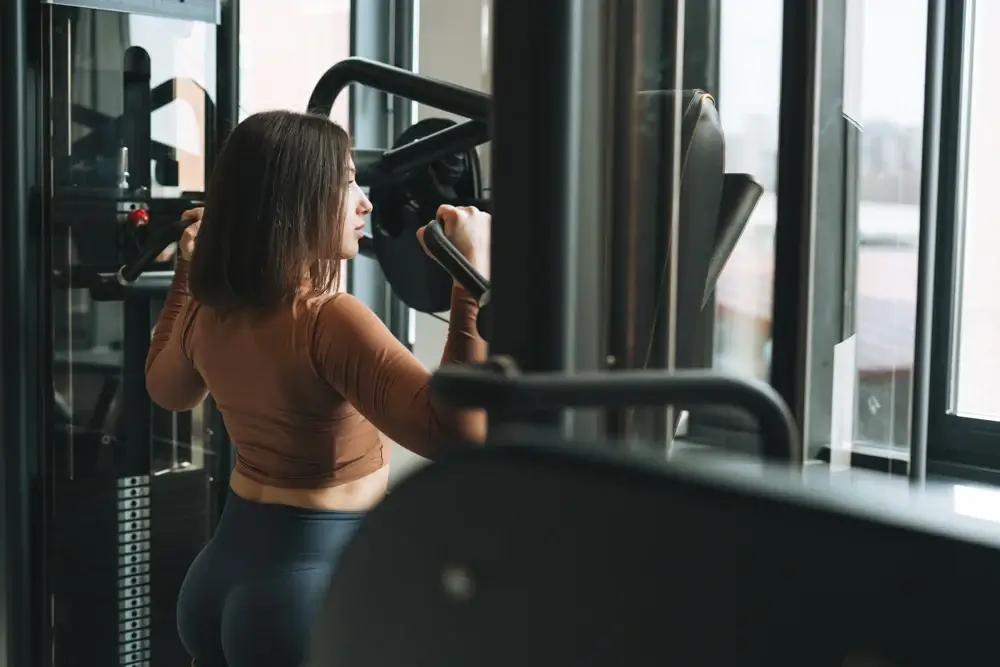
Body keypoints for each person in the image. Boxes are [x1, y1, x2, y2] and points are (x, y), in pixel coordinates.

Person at [145, 109, 490, 667]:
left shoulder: (210, 309)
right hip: (306, 592)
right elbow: (454, 435)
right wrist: (470, 278)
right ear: (294, 202)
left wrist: (189, 270)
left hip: (217, 575)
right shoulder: (328, 319)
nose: (365, 203)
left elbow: (168, 392)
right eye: (346, 182)